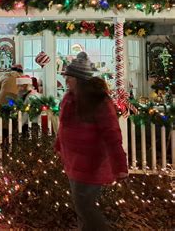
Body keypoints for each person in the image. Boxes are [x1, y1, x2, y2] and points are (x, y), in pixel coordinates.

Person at [55, 52, 128, 230]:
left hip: (91, 165)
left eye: (69, 78)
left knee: (85, 207)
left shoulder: (99, 101)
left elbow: (112, 135)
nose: (66, 81)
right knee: (81, 208)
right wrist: (59, 146)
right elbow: (63, 127)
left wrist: (120, 166)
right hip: (73, 163)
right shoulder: (69, 99)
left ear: (79, 79)